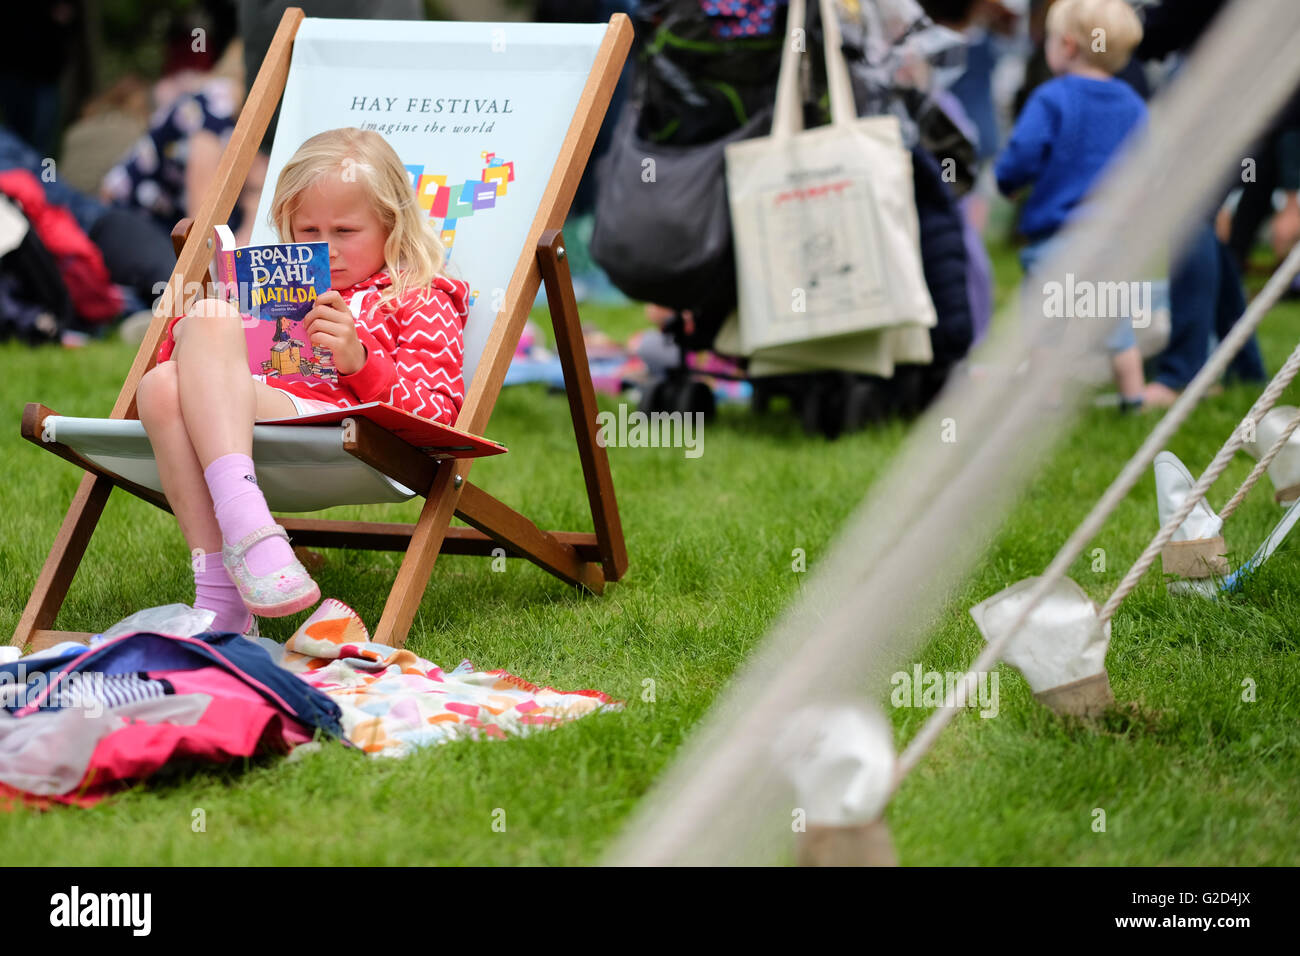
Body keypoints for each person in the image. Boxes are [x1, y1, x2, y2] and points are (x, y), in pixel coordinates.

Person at [136, 127, 471, 636]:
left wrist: (359, 360)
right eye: (308, 232)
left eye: (344, 231)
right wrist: (205, 328)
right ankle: (226, 590)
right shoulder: (273, 282)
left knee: (191, 346)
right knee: (161, 384)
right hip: (242, 415)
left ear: (392, 225)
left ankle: (246, 540)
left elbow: (436, 417)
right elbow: (183, 374)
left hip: (333, 424)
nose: (325, 248)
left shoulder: (419, 296)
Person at [994, 0, 1148, 409]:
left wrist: (1008, 181)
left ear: (1065, 45)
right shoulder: (1133, 104)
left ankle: (1046, 402)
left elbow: (1024, 150)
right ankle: (1133, 397)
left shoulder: (1051, 98)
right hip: (1111, 239)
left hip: (1057, 239)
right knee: (1118, 326)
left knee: (1047, 329)